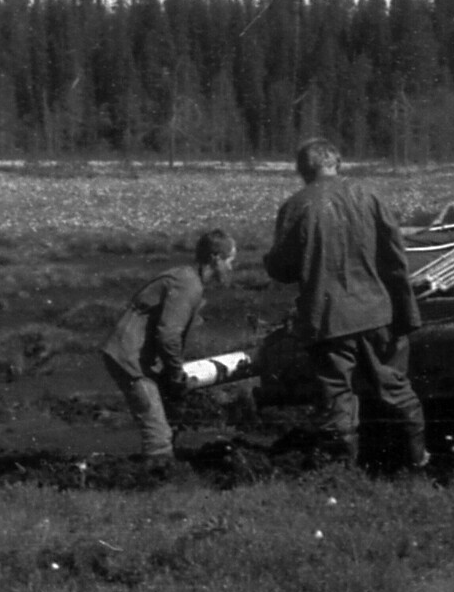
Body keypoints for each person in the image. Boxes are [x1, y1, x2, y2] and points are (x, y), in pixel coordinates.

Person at [264, 137, 430, 471]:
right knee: (397, 391)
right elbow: (396, 258)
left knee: (337, 401)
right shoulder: (368, 196)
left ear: (303, 170)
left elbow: (281, 268)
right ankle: (416, 462)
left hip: (328, 320)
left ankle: (342, 475)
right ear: (337, 162)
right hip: (376, 312)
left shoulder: (296, 206)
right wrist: (406, 314)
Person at [102, 229, 237, 470]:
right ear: (216, 258)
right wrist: (175, 374)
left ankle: (160, 471)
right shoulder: (188, 284)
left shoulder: (186, 279)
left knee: (162, 418)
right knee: (158, 436)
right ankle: (158, 479)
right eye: (230, 261)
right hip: (130, 358)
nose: (231, 267)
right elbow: (168, 335)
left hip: (135, 354)